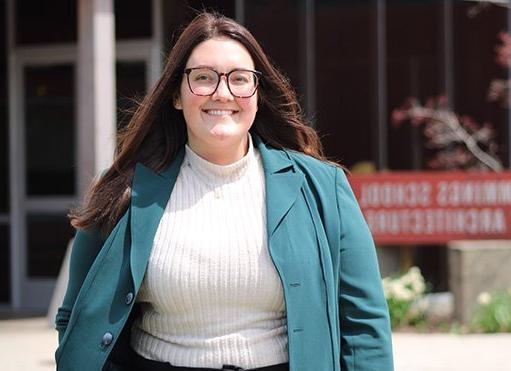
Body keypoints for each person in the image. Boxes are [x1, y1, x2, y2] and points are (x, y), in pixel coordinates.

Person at [55, 12, 393, 371]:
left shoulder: (322, 188)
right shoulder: (124, 190)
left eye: (239, 79)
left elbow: (363, 328)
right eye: (203, 78)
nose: (222, 92)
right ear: (177, 96)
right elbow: (76, 318)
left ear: (257, 94)